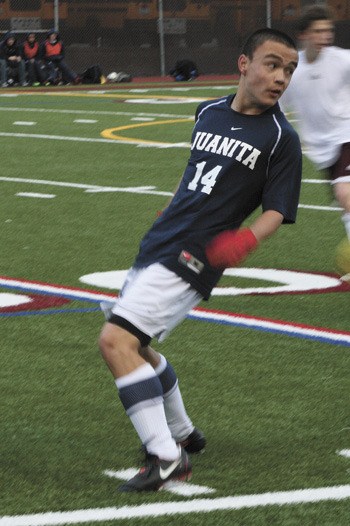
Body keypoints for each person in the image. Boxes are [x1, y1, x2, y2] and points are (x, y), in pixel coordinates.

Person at [98, 28, 302, 492]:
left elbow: (277, 210)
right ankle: (186, 434)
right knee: (140, 344)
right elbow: (192, 173)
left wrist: (243, 242)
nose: (281, 77)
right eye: (272, 64)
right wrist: (171, 208)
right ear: (244, 63)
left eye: (289, 69)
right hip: (162, 240)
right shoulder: (207, 111)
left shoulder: (279, 138)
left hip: (195, 255)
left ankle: (167, 457)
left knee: (116, 342)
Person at [280, 5, 350, 255]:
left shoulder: (342, 60)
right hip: (321, 148)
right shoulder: (291, 69)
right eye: (318, 31)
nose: (325, 36)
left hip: (346, 136)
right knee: (346, 205)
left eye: (328, 31)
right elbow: (276, 106)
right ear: (303, 35)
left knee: (345, 194)